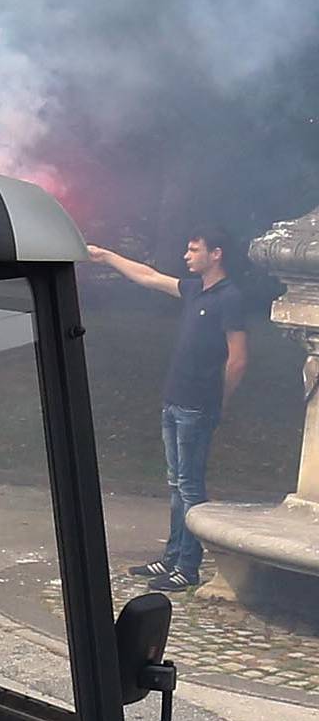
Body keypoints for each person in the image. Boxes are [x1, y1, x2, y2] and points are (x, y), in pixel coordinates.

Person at [88, 229, 250, 592]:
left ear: (217, 254)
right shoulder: (196, 290)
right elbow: (149, 277)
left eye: (194, 250)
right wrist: (107, 256)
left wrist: (219, 401)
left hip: (198, 405)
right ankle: (174, 554)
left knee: (190, 488)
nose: (187, 255)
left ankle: (188, 566)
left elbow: (238, 358)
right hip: (174, 400)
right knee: (176, 485)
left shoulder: (230, 298)